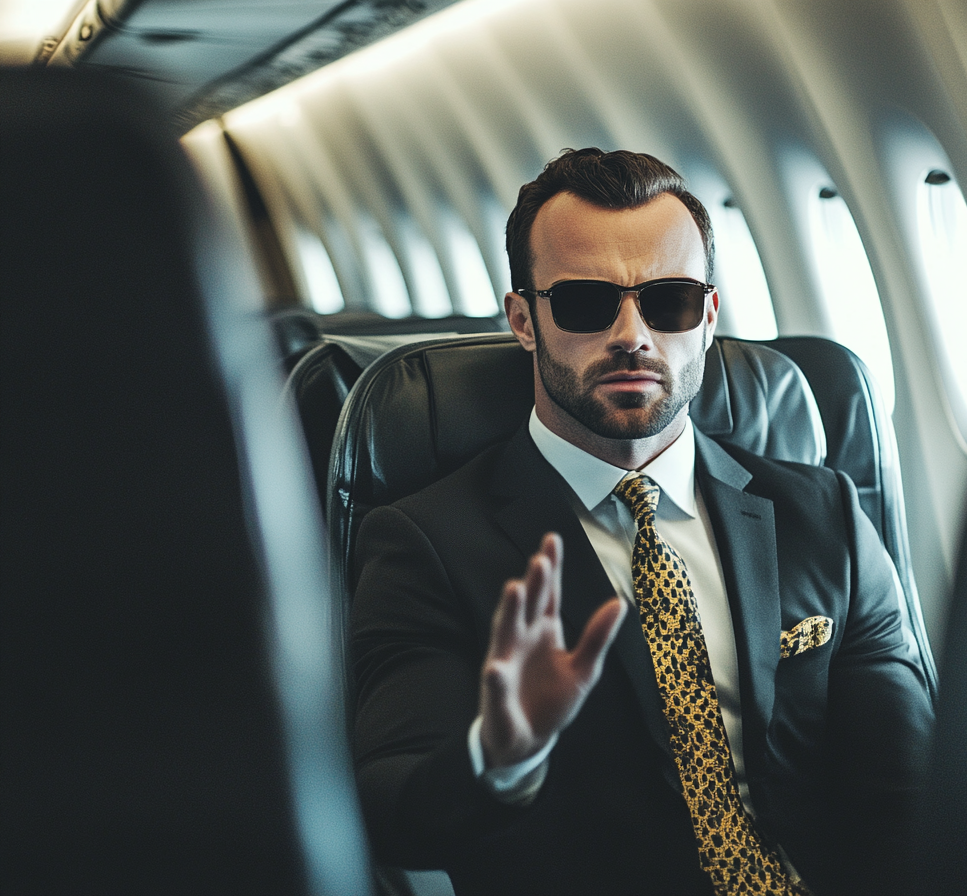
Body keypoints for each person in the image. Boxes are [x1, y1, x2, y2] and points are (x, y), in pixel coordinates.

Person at [349, 148, 934, 896]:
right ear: (524, 320)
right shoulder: (427, 543)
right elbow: (394, 812)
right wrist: (498, 756)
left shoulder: (824, 517)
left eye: (670, 301)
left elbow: (908, 794)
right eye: (588, 303)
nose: (633, 334)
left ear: (709, 317)